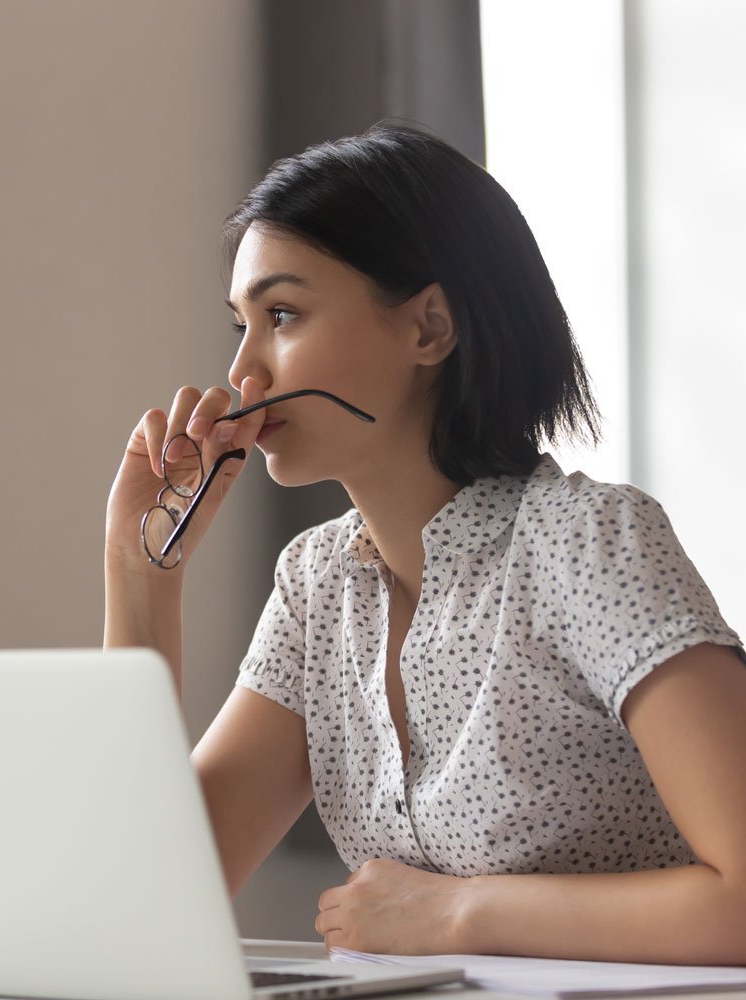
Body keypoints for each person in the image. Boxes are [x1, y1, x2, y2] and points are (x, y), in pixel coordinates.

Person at [104, 121, 746, 964]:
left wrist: (460, 914)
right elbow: (141, 899)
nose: (244, 375)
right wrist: (140, 572)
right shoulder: (316, 586)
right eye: (241, 326)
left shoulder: (589, 544)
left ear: (429, 329)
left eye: (283, 315)